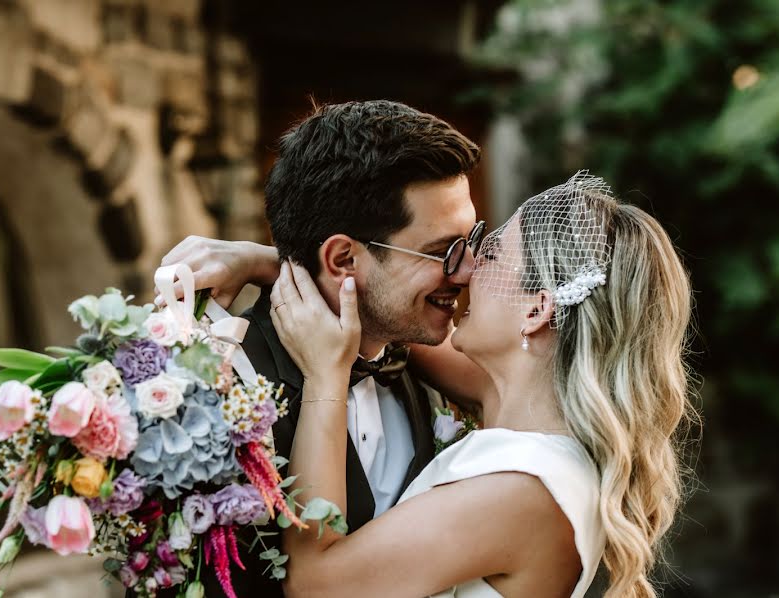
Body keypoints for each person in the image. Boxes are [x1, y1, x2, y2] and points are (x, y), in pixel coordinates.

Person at [169, 173, 696, 597]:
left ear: (537, 310)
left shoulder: (522, 491)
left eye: (488, 254)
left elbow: (317, 585)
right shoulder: (526, 414)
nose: (464, 270)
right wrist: (280, 264)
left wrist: (325, 376)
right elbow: (388, 308)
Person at [157, 99, 482, 597]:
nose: (467, 271)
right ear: (343, 257)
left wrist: (265, 261)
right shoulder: (209, 396)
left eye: (471, 242)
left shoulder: (421, 364)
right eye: (443, 252)